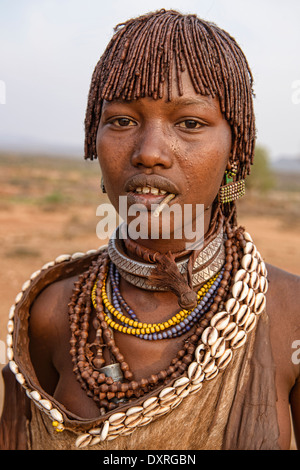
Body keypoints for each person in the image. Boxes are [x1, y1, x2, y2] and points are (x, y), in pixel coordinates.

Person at [0, 9, 299, 451]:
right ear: (93, 139)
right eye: (121, 120)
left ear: (235, 148)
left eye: (190, 123)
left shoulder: (289, 313)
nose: (151, 152)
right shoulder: (50, 313)